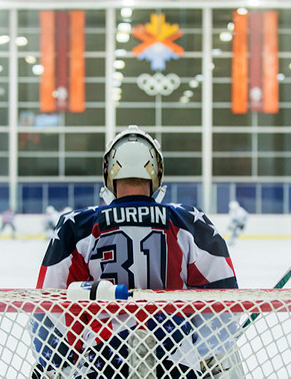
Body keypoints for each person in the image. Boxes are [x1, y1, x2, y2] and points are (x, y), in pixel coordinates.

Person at [32, 125, 239, 378]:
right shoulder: (190, 223)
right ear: (157, 173)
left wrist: (58, 363)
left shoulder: (76, 227)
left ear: (108, 173)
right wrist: (204, 355)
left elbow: (50, 311)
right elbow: (223, 307)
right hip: (177, 361)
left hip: (102, 359)